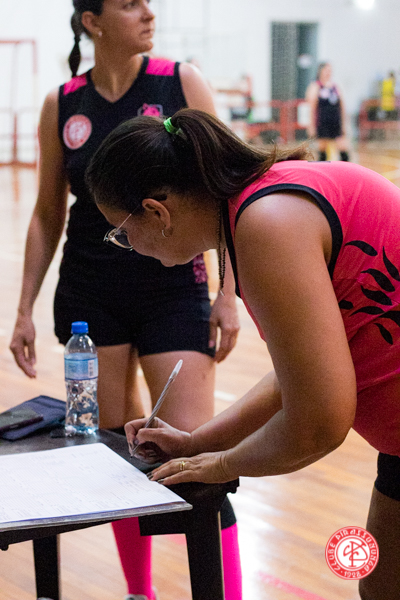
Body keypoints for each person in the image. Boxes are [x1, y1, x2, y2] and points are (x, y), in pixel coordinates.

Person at [86, 107, 400, 600]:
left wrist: (222, 464)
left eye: (121, 232)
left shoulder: (266, 224)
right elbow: (298, 378)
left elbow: (319, 423)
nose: (125, 245)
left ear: (157, 212)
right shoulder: (261, 206)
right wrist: (196, 444)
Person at [9, 2, 242, 599]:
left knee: (199, 465)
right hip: (91, 296)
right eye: (129, 2)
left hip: (174, 289)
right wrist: (24, 309)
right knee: (116, 456)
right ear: (92, 20)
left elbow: (226, 192)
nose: (147, 11)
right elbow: (46, 213)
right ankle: (141, 592)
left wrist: (229, 292)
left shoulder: (180, 81)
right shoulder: (63, 103)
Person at [306, 62, 350, 161]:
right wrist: (311, 126)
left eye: (330, 70)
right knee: (322, 150)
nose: (328, 73)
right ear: (320, 71)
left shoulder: (336, 87)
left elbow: (342, 107)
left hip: (336, 122)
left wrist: (344, 124)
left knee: (343, 148)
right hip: (322, 123)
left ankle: (345, 169)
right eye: (326, 70)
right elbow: (311, 108)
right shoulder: (315, 86)